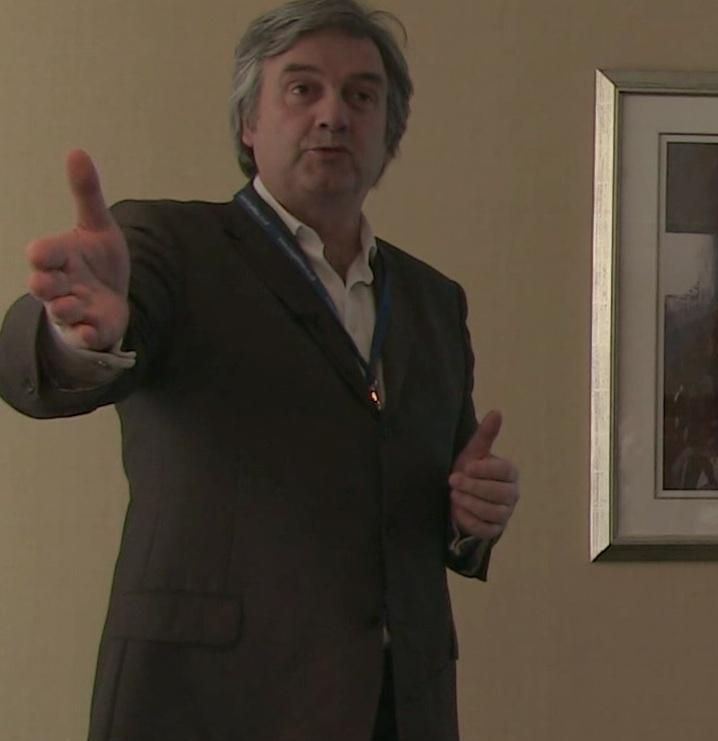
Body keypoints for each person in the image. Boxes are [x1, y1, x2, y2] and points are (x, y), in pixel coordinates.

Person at [0, 1, 519, 739]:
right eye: (302, 89)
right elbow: (37, 370)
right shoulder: (171, 246)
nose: (333, 114)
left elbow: (421, 496)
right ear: (249, 121)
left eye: (361, 95)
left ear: (389, 132)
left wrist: (470, 518)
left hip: (399, 706)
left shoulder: (434, 301)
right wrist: (76, 333)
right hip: (209, 705)